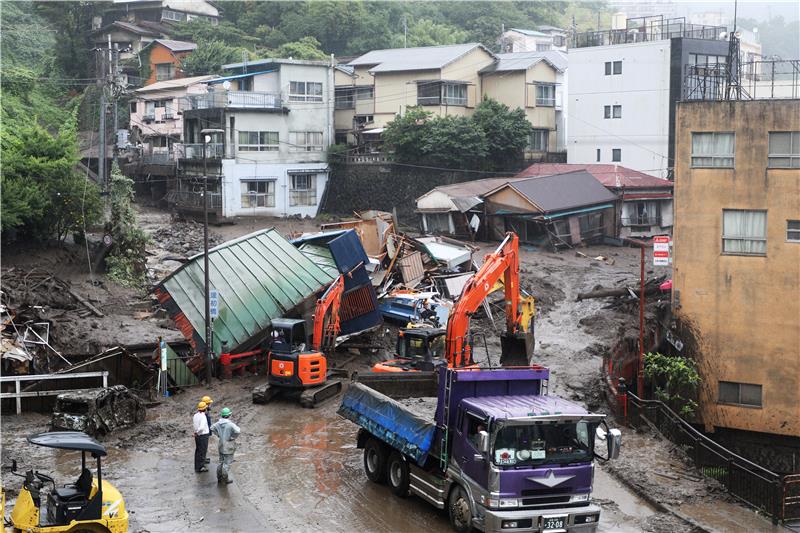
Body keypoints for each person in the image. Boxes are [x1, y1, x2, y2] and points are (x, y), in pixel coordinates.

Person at [210, 407, 240, 484]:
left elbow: (211, 428)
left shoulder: (218, 424)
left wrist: (218, 435)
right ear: (229, 415)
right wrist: (232, 437)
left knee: (221, 461)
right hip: (228, 446)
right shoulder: (230, 424)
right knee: (227, 463)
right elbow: (237, 431)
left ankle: (219, 477)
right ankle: (225, 479)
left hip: (221, 445)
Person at [193, 401, 210, 473]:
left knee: (198, 450)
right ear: (205, 409)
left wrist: (195, 432)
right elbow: (202, 427)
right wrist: (197, 432)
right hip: (203, 435)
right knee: (203, 451)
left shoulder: (195, 415)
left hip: (197, 435)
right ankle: (201, 467)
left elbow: (194, 424)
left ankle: (197, 466)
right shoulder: (203, 416)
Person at [201, 395, 214, 464]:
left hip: (206, 431)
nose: (210, 405)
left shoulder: (206, 411)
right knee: (204, 446)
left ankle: (204, 458)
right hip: (204, 432)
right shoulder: (204, 413)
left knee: (205, 446)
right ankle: (203, 459)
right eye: (209, 403)